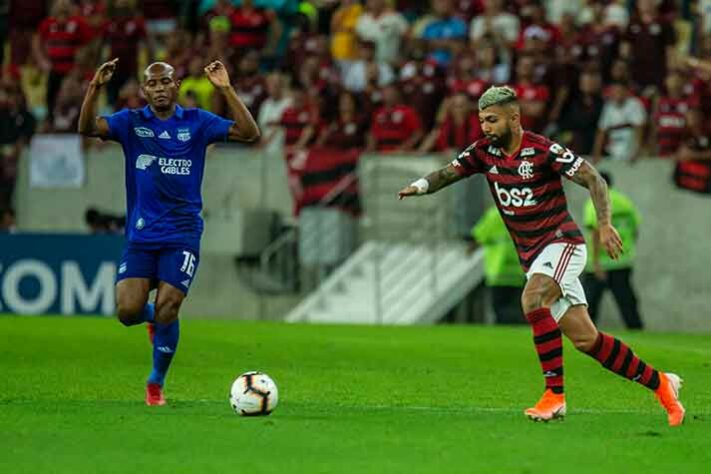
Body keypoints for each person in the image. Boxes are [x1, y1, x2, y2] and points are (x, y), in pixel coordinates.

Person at [398, 85, 684, 426]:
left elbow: (593, 177)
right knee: (586, 340)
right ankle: (662, 384)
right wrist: (419, 186)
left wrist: (604, 224)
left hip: (562, 243)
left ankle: (555, 397)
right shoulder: (483, 153)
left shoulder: (542, 150)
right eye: (482, 121)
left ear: (514, 118)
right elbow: (447, 172)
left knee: (533, 300)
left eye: (491, 120)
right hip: (534, 257)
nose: (485, 127)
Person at [77, 58, 260, 406]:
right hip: (142, 236)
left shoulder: (197, 121)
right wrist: (94, 87)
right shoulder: (131, 123)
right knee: (128, 312)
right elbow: (86, 128)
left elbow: (250, 134)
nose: (159, 89)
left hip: (183, 232)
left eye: (165, 82)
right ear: (144, 90)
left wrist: (225, 89)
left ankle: (155, 383)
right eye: (152, 84)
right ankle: (154, 321)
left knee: (169, 306)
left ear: (176, 86)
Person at [582, 171, 644, 329]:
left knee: (589, 305)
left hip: (601, 263)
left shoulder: (594, 203)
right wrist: (628, 250)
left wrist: (596, 263)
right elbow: (635, 227)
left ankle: (586, 332)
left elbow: (596, 233)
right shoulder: (624, 201)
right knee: (627, 302)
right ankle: (636, 329)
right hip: (622, 260)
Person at [471, 205, 526, 324]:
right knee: (519, 306)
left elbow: (478, 236)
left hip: (498, 271)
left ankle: (504, 326)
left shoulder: (495, 214)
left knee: (500, 307)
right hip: (518, 271)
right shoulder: (522, 214)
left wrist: (469, 250)